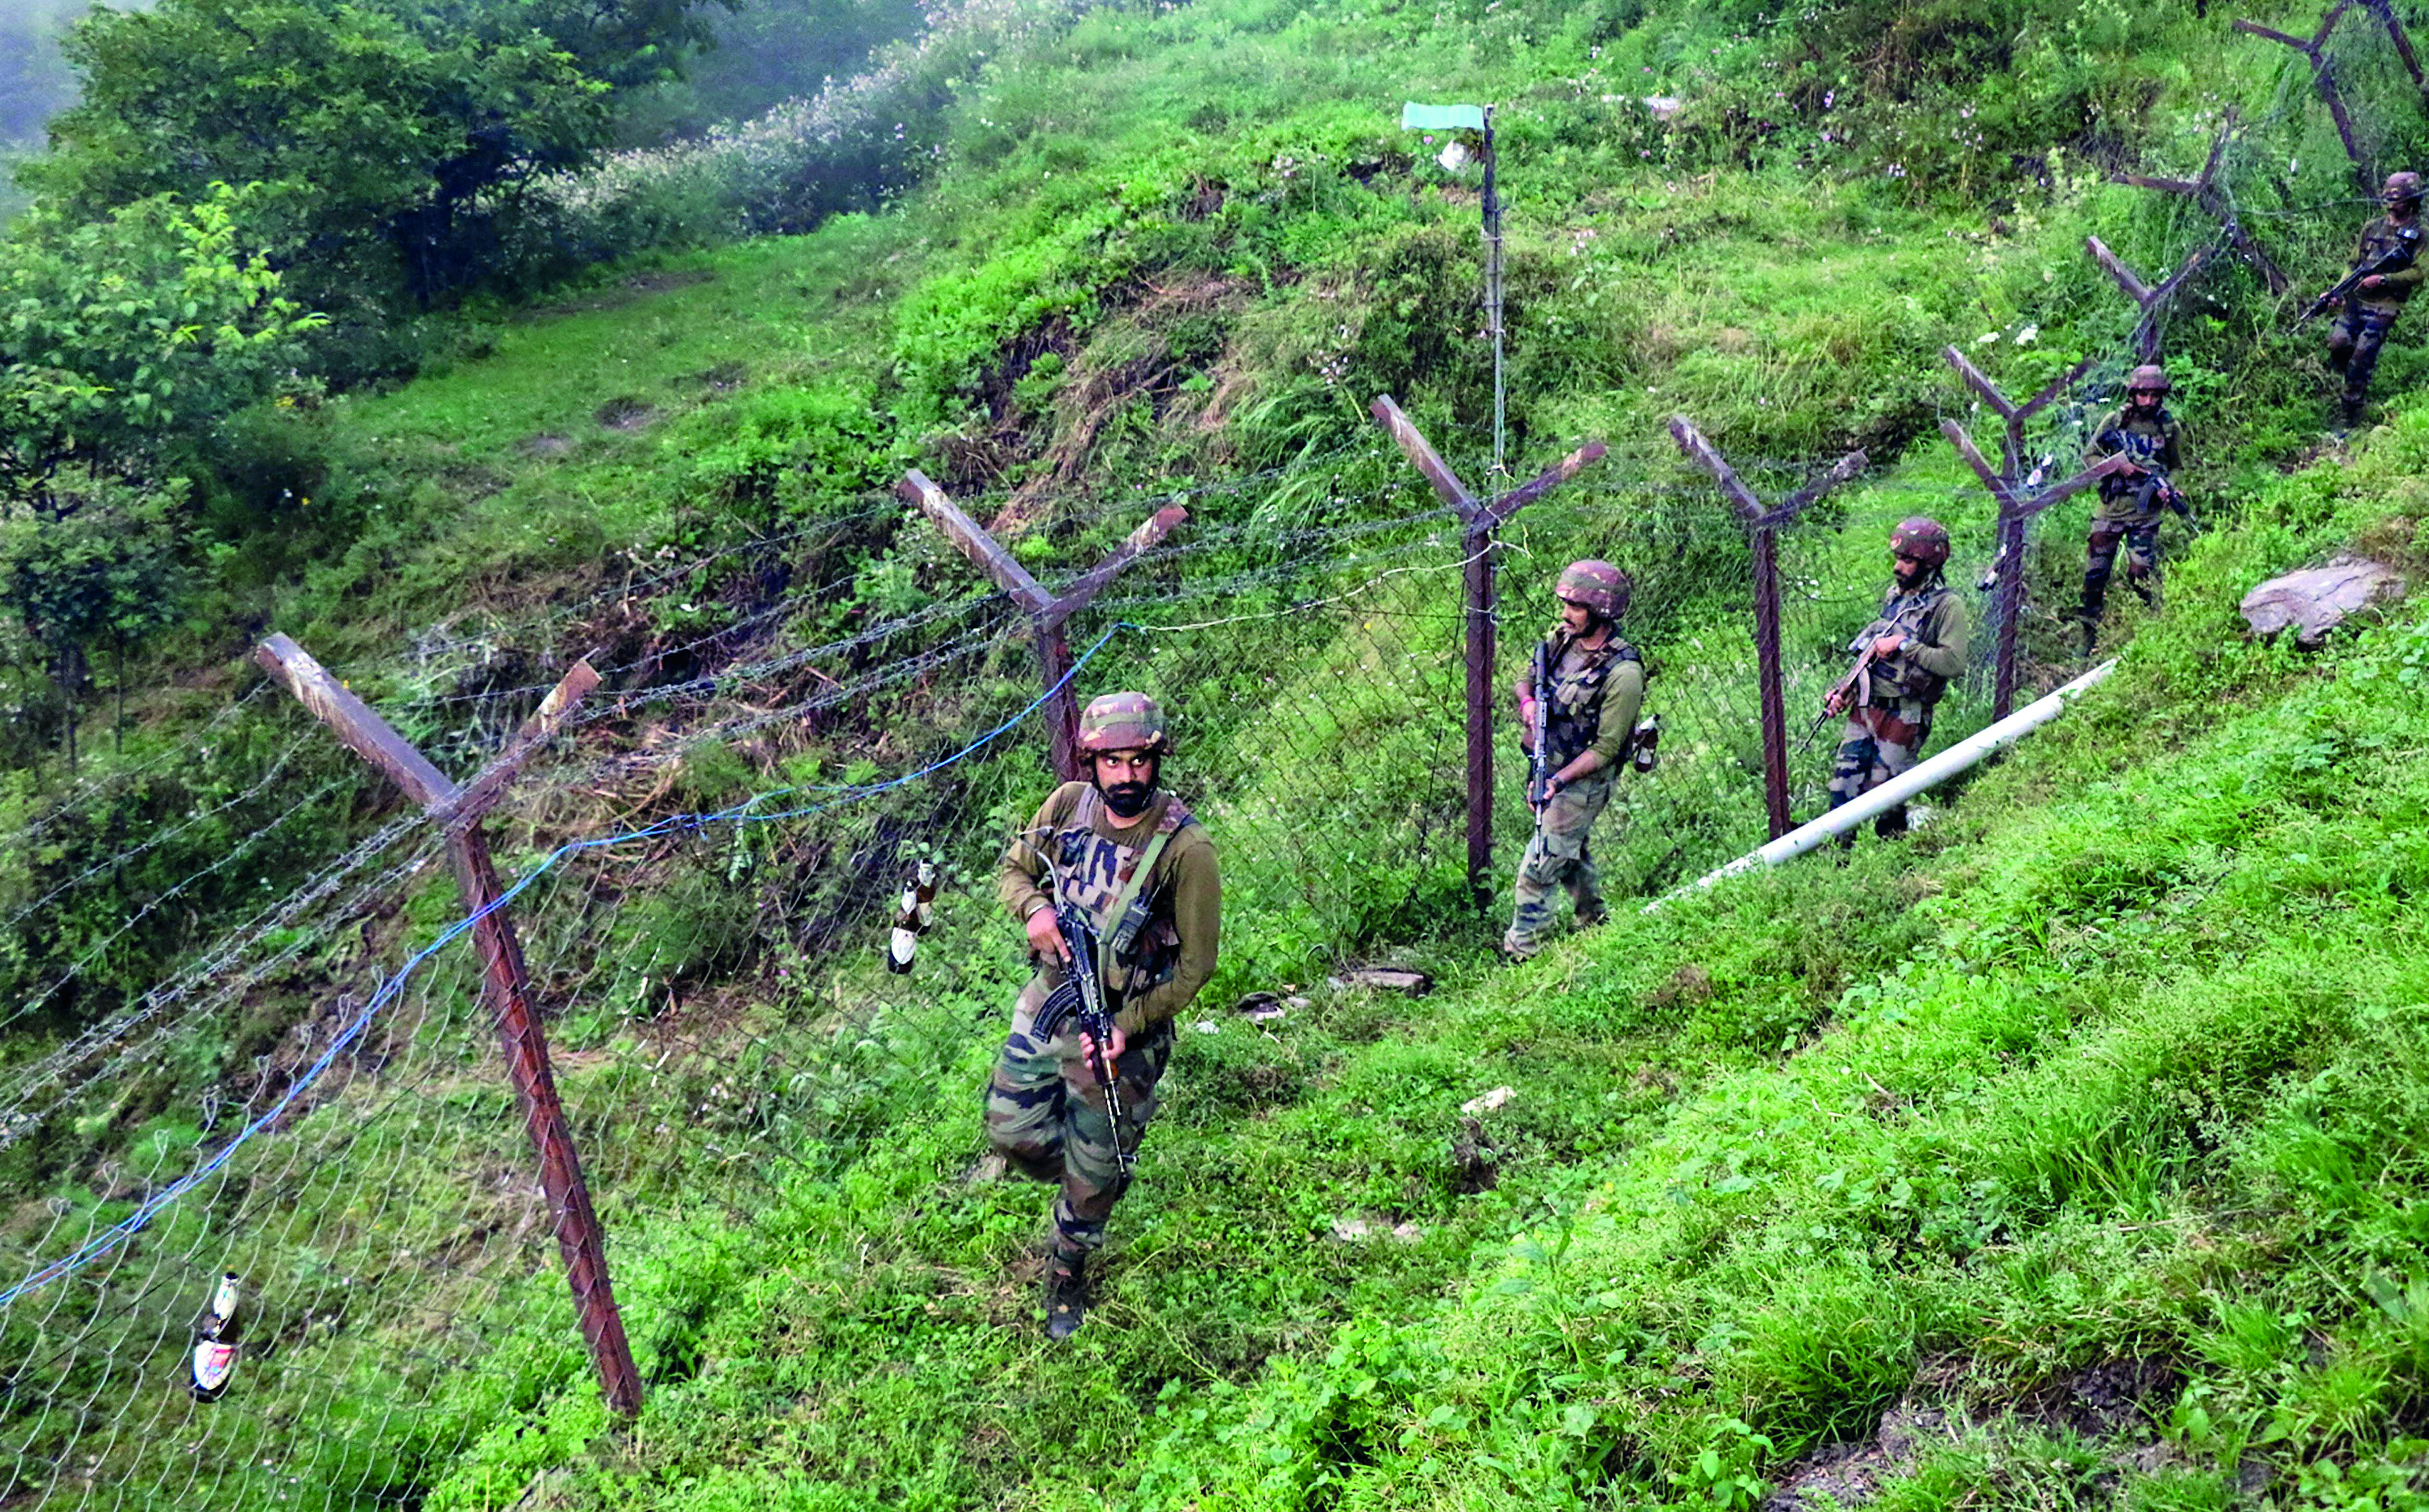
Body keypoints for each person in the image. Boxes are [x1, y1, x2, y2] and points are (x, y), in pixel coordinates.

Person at [989, 691, 1220, 1339]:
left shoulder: (1186, 848)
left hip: (1121, 1028)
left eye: (1139, 761)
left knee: (1096, 1172)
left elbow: (1197, 967)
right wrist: (1035, 908)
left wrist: (1127, 1024)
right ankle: (1084, 1171)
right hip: (1050, 999)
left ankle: (1067, 1268)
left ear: (1157, 759)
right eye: (1111, 762)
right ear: (1091, 762)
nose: (1126, 776)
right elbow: (1014, 869)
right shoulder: (1068, 805)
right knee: (1010, 1132)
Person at [1504, 559, 1645, 961]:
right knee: (1569, 851)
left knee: (1539, 866)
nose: (1566, 614)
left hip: (1583, 782)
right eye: (1565, 604)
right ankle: (1594, 921)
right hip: (1549, 763)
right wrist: (1528, 705)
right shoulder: (1563, 640)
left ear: (1601, 611)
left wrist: (1557, 782)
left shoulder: (1623, 673)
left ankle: (1522, 954)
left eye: (1576, 606)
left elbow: (1606, 749)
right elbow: (1525, 679)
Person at [1824, 519, 1968, 841]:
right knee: (1842, 790)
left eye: (1908, 560)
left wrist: (1905, 646)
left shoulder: (1948, 606)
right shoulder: (1895, 597)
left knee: (1886, 799)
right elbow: (1871, 652)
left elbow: (1954, 663)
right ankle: (1838, 861)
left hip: (1905, 714)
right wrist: (1844, 691)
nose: (1898, 567)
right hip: (1866, 708)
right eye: (1897, 558)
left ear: (1929, 562)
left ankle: (1900, 852)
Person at [2079, 363, 2190, 653]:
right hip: (2111, 510)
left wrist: (2168, 487)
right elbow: (2090, 456)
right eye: (2143, 395)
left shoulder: (2169, 427)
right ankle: (2088, 632)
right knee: (2095, 575)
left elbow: (2177, 467)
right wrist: (2118, 466)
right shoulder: (2115, 421)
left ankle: (2148, 632)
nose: (2148, 401)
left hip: (2145, 514)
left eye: (2155, 395)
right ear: (2133, 394)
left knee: (2142, 572)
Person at [2323, 171, 2426, 432]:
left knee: (2363, 353)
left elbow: (2420, 272)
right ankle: (2353, 376)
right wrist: (2337, 290)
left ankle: (2349, 413)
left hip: (2386, 303)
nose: (2391, 204)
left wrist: (2383, 280)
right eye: (2388, 198)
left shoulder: (2421, 233)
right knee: (2338, 344)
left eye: (2397, 199)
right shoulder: (2372, 228)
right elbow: (2352, 264)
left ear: (2411, 201)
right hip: (2356, 298)